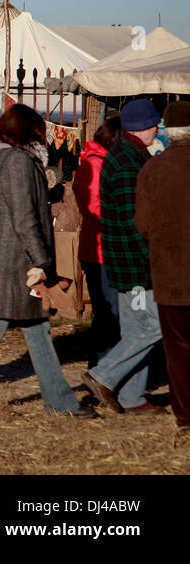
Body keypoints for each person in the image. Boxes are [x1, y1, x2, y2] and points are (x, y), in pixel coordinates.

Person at [0, 105, 96, 418]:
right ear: (28, 131)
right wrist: (43, 259)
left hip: (9, 259)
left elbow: (16, 204)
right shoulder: (16, 162)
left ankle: (57, 401)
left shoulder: (2, 158)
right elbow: (24, 217)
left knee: (31, 330)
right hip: (17, 263)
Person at [85, 98, 166, 415]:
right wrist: (153, 256)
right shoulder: (131, 163)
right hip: (136, 265)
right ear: (144, 127)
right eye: (155, 123)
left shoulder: (123, 156)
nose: (158, 128)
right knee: (155, 326)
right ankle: (102, 375)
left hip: (122, 261)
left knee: (136, 330)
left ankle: (133, 398)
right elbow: (137, 221)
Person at [134, 101, 190, 438]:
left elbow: (142, 223)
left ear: (168, 132)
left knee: (178, 347)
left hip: (170, 274)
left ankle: (185, 417)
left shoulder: (152, 170)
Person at [73, 116, 121, 366]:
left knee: (105, 311)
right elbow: (96, 207)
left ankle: (101, 365)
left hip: (97, 246)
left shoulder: (94, 161)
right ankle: (103, 367)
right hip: (100, 249)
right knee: (108, 312)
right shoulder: (96, 164)